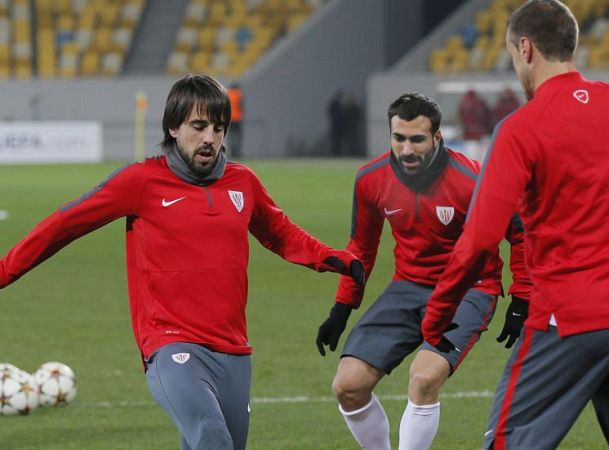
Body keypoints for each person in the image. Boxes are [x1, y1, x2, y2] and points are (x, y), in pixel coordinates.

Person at [0, 74, 365, 450]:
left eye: (218, 128)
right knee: (211, 435)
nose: (209, 138)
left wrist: (336, 260)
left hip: (233, 350)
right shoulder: (141, 181)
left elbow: (282, 235)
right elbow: (63, 225)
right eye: (198, 126)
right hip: (170, 344)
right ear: (173, 127)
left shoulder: (243, 182)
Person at [420, 1, 609, 449]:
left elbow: (481, 238)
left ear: (526, 49)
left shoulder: (520, 128)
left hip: (567, 323)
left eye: (512, 56)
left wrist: (437, 315)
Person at [315, 92, 531, 450]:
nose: (407, 149)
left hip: (468, 289)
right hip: (408, 286)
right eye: (398, 138)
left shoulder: (472, 180)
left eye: (417, 139)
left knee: (424, 377)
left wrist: (521, 297)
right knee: (348, 386)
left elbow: (520, 232)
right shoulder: (371, 179)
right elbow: (361, 249)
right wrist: (342, 308)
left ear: (437, 137)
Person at [226, 82, 244, 158]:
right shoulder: (239, 94)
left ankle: (231, 152)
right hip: (238, 118)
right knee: (238, 137)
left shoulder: (228, 94)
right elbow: (241, 106)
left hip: (229, 118)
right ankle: (237, 152)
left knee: (230, 136)